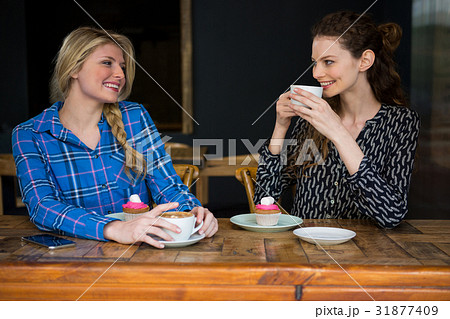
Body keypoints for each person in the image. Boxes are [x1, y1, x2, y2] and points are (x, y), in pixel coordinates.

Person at [12, 27, 218, 248]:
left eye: (122, 66)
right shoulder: (30, 134)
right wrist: (112, 228)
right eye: (107, 63)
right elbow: (42, 207)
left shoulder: (134, 117)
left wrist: (192, 213)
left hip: (142, 252)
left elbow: (167, 186)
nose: (120, 74)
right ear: (73, 68)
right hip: (72, 259)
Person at [254, 11, 420, 228]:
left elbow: (391, 215)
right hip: (305, 251)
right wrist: (280, 126)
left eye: (328, 62)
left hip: (367, 255)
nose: (316, 73)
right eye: (315, 63)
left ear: (365, 61)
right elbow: (264, 199)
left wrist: (338, 132)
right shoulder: (311, 118)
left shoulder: (402, 123)